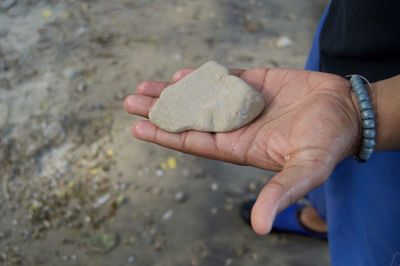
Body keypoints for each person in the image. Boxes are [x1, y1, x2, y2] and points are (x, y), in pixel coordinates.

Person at [124, 0, 400, 265]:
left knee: (371, 230)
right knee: (324, 170)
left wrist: (367, 111)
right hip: (350, 33)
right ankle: (322, 217)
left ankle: (338, 225)